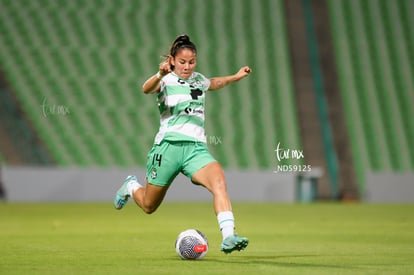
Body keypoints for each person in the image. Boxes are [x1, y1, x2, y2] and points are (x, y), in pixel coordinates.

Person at [114, 34, 251, 254]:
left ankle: (228, 237)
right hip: (168, 148)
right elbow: (146, 89)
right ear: (172, 60)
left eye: (192, 61)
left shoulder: (198, 79)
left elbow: (214, 83)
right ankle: (131, 186)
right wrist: (160, 73)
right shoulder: (165, 79)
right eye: (182, 62)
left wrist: (236, 77)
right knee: (149, 206)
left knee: (219, 183)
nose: (187, 66)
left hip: (195, 149)